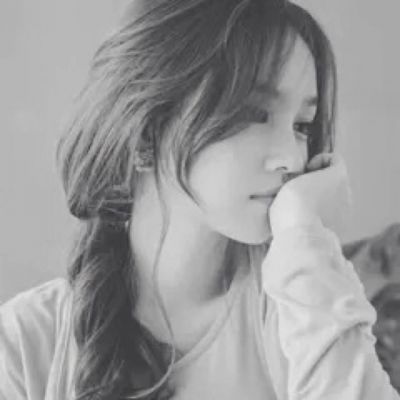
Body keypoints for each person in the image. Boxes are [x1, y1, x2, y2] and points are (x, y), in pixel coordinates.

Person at [0, 0, 399, 399]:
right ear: (146, 133)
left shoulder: (301, 315)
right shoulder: (25, 345)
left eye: (302, 126)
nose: (292, 159)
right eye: (254, 114)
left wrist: (305, 234)